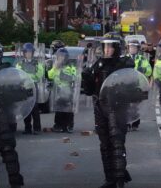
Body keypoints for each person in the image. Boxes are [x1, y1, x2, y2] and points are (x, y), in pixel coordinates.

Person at [82, 37, 134, 188]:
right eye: (105, 47)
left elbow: (131, 84)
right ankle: (110, 179)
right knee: (105, 145)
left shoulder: (123, 64)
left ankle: (119, 180)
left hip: (117, 107)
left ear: (117, 48)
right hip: (100, 107)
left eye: (110, 47)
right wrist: (86, 76)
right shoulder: (98, 64)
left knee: (117, 143)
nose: (107, 50)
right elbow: (90, 91)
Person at [0, 40, 24, 188]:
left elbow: (18, 91)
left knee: (8, 152)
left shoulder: (7, 71)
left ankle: (15, 183)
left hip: (2, 117)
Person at [16, 43, 44, 135]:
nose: (28, 54)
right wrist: (27, 76)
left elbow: (40, 74)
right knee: (25, 108)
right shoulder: (20, 64)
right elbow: (19, 74)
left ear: (32, 53)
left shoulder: (37, 63)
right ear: (24, 53)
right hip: (24, 87)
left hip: (33, 86)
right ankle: (27, 128)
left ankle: (37, 128)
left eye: (30, 52)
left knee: (35, 108)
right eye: (26, 52)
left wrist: (33, 72)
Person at [48, 48, 78, 133]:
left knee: (68, 109)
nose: (61, 58)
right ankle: (58, 125)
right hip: (58, 91)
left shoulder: (70, 67)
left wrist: (67, 77)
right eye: (60, 56)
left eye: (63, 57)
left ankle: (69, 125)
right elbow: (50, 75)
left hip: (68, 91)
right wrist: (55, 67)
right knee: (59, 109)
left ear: (66, 57)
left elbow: (77, 77)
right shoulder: (55, 66)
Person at [126, 39, 152, 131]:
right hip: (127, 86)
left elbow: (149, 71)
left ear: (137, 49)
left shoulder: (142, 59)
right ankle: (127, 123)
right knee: (126, 105)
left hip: (138, 86)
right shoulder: (124, 58)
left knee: (136, 106)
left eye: (134, 47)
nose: (132, 49)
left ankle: (135, 124)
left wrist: (143, 70)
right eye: (130, 47)